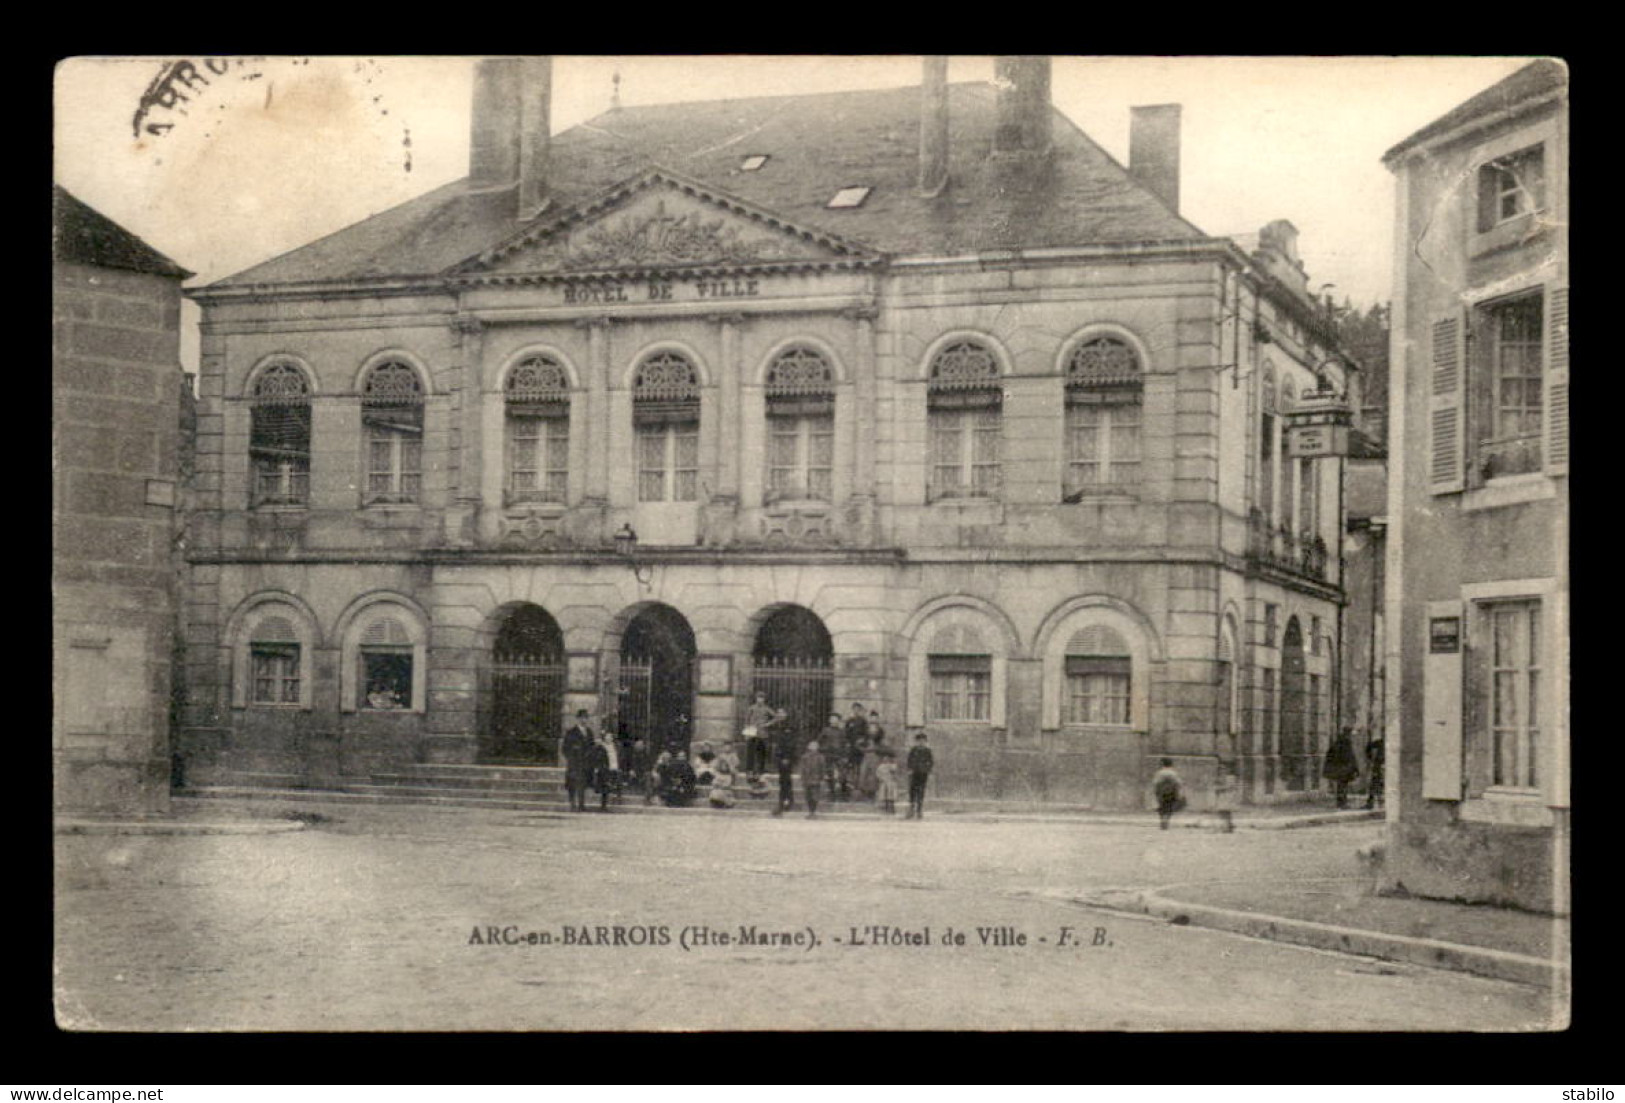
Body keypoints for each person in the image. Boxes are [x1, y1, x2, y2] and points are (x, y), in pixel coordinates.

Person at [742, 692, 779, 782]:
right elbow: (746, 721)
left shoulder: (766, 709)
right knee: (750, 753)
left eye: (762, 698)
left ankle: (759, 772)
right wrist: (746, 732)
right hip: (752, 733)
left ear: (764, 699)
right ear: (756, 698)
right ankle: (749, 772)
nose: (760, 700)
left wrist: (767, 724)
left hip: (762, 734)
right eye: (758, 698)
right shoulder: (751, 708)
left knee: (760, 754)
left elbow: (776, 717)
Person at [562, 709, 594, 813]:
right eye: (581, 718)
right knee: (572, 783)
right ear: (578, 719)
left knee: (583, 784)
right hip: (574, 763)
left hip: (585, 763)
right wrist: (571, 757)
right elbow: (565, 748)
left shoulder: (589, 732)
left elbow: (592, 746)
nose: (584, 720)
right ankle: (572, 804)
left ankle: (581, 804)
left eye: (585, 718)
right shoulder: (571, 732)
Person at [1324, 728, 1361, 809]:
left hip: (1340, 767)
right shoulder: (1346, 743)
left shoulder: (1338, 742)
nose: (1352, 737)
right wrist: (1355, 768)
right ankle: (1342, 803)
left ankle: (1341, 802)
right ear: (1348, 734)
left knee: (1341, 785)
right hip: (1344, 768)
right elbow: (1350, 757)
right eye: (1351, 735)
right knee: (1343, 785)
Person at [770, 720, 800, 816]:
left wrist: (789, 759)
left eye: (789, 728)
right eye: (786, 728)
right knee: (784, 782)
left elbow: (794, 749)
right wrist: (781, 759)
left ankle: (786, 801)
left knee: (786, 781)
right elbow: (778, 749)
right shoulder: (781, 737)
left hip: (788, 762)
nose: (787, 730)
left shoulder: (793, 738)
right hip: (782, 762)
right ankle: (785, 801)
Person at [841, 703, 868, 800]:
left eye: (858, 709)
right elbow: (846, 733)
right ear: (852, 710)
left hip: (860, 748)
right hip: (851, 748)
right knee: (850, 766)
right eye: (854, 709)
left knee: (859, 766)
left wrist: (862, 741)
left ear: (860, 710)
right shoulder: (849, 721)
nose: (856, 711)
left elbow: (866, 734)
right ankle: (851, 785)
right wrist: (848, 743)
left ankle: (858, 785)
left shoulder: (863, 721)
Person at [588, 729, 619, 812]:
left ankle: (614, 803)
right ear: (604, 738)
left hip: (614, 767)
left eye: (610, 737)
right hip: (604, 768)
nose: (609, 738)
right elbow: (597, 758)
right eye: (607, 737)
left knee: (613, 786)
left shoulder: (615, 746)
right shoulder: (601, 747)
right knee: (605, 787)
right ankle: (603, 806)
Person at [905, 732, 934, 820]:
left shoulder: (927, 751)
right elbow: (909, 760)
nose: (921, 742)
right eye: (919, 740)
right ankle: (911, 809)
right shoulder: (913, 750)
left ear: (925, 741)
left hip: (923, 773)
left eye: (923, 741)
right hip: (914, 773)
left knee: (921, 791)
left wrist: (928, 770)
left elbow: (930, 762)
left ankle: (919, 810)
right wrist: (910, 769)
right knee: (912, 790)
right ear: (916, 741)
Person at [1152, 758, 1184, 830]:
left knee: (1162, 807)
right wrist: (1178, 793)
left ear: (1162, 764)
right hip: (1171, 792)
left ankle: (1163, 821)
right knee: (1169, 808)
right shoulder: (1173, 773)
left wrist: (1156, 792)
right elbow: (1178, 783)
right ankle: (1166, 821)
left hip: (1162, 793)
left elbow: (1156, 783)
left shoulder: (1160, 773)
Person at [819, 713, 844, 802]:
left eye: (835, 719)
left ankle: (842, 794)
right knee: (829, 775)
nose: (833, 721)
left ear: (838, 721)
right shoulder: (825, 730)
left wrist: (843, 754)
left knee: (840, 775)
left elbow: (844, 743)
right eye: (832, 719)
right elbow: (820, 741)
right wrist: (824, 749)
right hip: (828, 755)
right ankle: (831, 793)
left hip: (838, 755)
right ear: (829, 721)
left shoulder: (841, 731)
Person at [800, 739, 825, 819]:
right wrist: (802, 778)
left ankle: (813, 812)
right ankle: (810, 812)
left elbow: (822, 768)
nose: (813, 748)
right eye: (812, 746)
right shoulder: (804, 757)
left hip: (816, 779)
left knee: (815, 796)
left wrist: (822, 778)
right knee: (808, 796)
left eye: (815, 746)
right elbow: (802, 768)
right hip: (807, 779)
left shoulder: (820, 757)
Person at [1363, 734, 1385, 809]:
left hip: (1383, 766)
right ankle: (1373, 802)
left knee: (1378, 784)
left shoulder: (1382, 742)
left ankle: (1377, 802)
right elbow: (1368, 747)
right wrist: (1370, 758)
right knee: (1376, 783)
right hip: (1379, 766)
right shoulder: (1380, 742)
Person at [875, 748, 899, 816]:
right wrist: (880, 778)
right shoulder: (880, 766)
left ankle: (892, 808)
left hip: (891, 782)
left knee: (891, 795)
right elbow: (878, 773)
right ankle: (885, 808)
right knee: (884, 795)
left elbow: (894, 772)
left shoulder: (892, 766)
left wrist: (892, 770)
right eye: (884, 758)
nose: (886, 760)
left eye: (887, 758)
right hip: (883, 782)